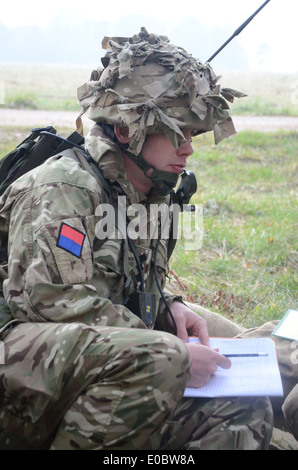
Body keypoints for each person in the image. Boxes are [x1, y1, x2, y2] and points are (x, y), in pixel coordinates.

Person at [0, 27, 286, 450]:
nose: (188, 149)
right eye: (177, 133)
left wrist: (169, 307)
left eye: (193, 135)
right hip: (26, 368)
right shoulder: (65, 188)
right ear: (126, 132)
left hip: (107, 363)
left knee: (244, 408)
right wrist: (169, 348)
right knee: (167, 358)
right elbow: (51, 304)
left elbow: (120, 282)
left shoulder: (149, 192)